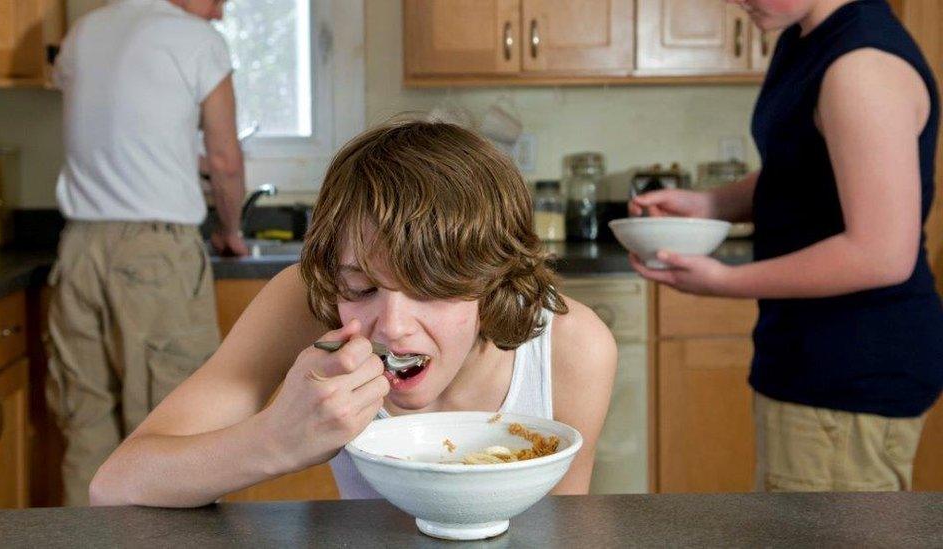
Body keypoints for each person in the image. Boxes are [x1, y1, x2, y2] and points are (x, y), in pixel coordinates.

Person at [88, 120, 618, 506]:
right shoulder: (307, 300)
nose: (391, 326)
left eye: (431, 289)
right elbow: (116, 484)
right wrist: (275, 440)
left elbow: (561, 529)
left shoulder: (573, 349)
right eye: (361, 288)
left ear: (493, 279)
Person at [631, 0, 943, 491]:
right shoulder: (805, 38)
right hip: (811, 361)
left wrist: (724, 282)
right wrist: (712, 204)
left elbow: (882, 255)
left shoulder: (860, 67)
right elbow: (804, 172)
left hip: (849, 373)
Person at [48, 0, 248, 505]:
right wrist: (231, 229)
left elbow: (116, 128)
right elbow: (224, 160)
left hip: (77, 250)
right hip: (156, 254)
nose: (220, 13)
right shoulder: (197, 41)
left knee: (85, 422)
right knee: (174, 431)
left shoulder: (82, 33)